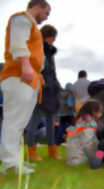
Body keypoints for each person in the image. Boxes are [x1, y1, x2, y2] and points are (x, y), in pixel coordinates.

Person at [0, 0, 51, 174]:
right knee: (14, 121)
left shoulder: (32, 26)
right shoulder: (21, 19)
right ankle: (10, 164)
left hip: (30, 77)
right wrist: (26, 65)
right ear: (38, 7)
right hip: (19, 75)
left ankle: (14, 161)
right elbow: (18, 43)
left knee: (19, 123)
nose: (45, 18)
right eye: (46, 13)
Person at [25, 24, 62, 161]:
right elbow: (33, 69)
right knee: (34, 122)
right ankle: (31, 152)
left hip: (52, 91)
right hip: (39, 90)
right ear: (48, 36)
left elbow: (52, 72)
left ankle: (52, 151)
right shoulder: (36, 49)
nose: (54, 40)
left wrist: (56, 85)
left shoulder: (50, 52)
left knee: (51, 122)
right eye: (53, 38)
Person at [66, 100, 102, 167]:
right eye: (100, 111)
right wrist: (96, 156)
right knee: (102, 150)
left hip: (72, 159)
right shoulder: (88, 125)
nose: (101, 113)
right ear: (93, 112)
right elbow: (88, 145)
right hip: (79, 160)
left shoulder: (79, 121)